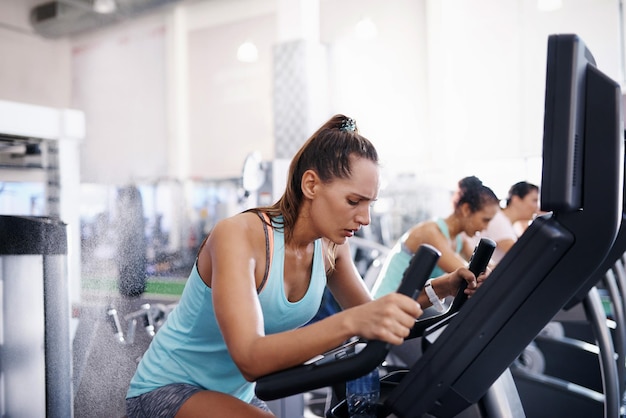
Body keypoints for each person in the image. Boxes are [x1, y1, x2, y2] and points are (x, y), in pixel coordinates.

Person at [125, 114, 483, 418]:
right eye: (354, 201)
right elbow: (250, 357)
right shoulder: (238, 235)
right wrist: (351, 322)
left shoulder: (330, 248)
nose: (365, 217)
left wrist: (443, 288)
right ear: (311, 184)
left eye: (370, 203)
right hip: (167, 389)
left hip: (238, 396)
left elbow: (370, 315)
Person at [371, 176, 500, 301]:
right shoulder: (430, 233)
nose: (486, 227)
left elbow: (489, 266)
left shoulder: (459, 239)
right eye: (485, 220)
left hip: (414, 302)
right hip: (386, 303)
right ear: (466, 209)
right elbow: (469, 276)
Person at [474, 181, 539, 265]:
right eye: (534, 200)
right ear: (516, 200)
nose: (537, 207)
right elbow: (522, 256)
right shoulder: (499, 220)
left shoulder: (510, 225)